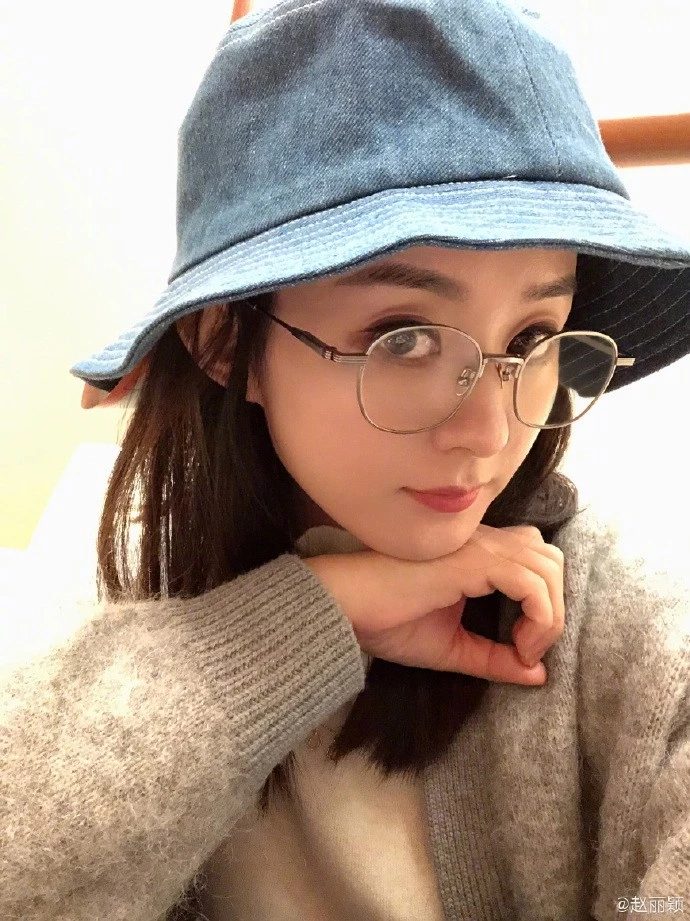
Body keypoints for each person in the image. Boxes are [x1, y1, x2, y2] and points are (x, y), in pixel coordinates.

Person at [2, 1, 689, 919]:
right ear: (225, 341)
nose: (489, 431)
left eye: (532, 336)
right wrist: (299, 625)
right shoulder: (130, 580)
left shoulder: (603, 620)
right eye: (404, 338)